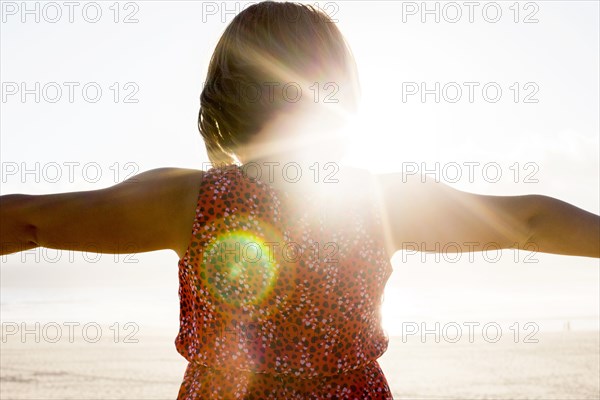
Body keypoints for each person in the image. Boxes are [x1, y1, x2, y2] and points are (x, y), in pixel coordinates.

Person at [1, 2, 598, 399]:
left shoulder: (185, 199)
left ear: (223, 101)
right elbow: (530, 222)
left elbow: (25, 220)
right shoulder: (381, 201)